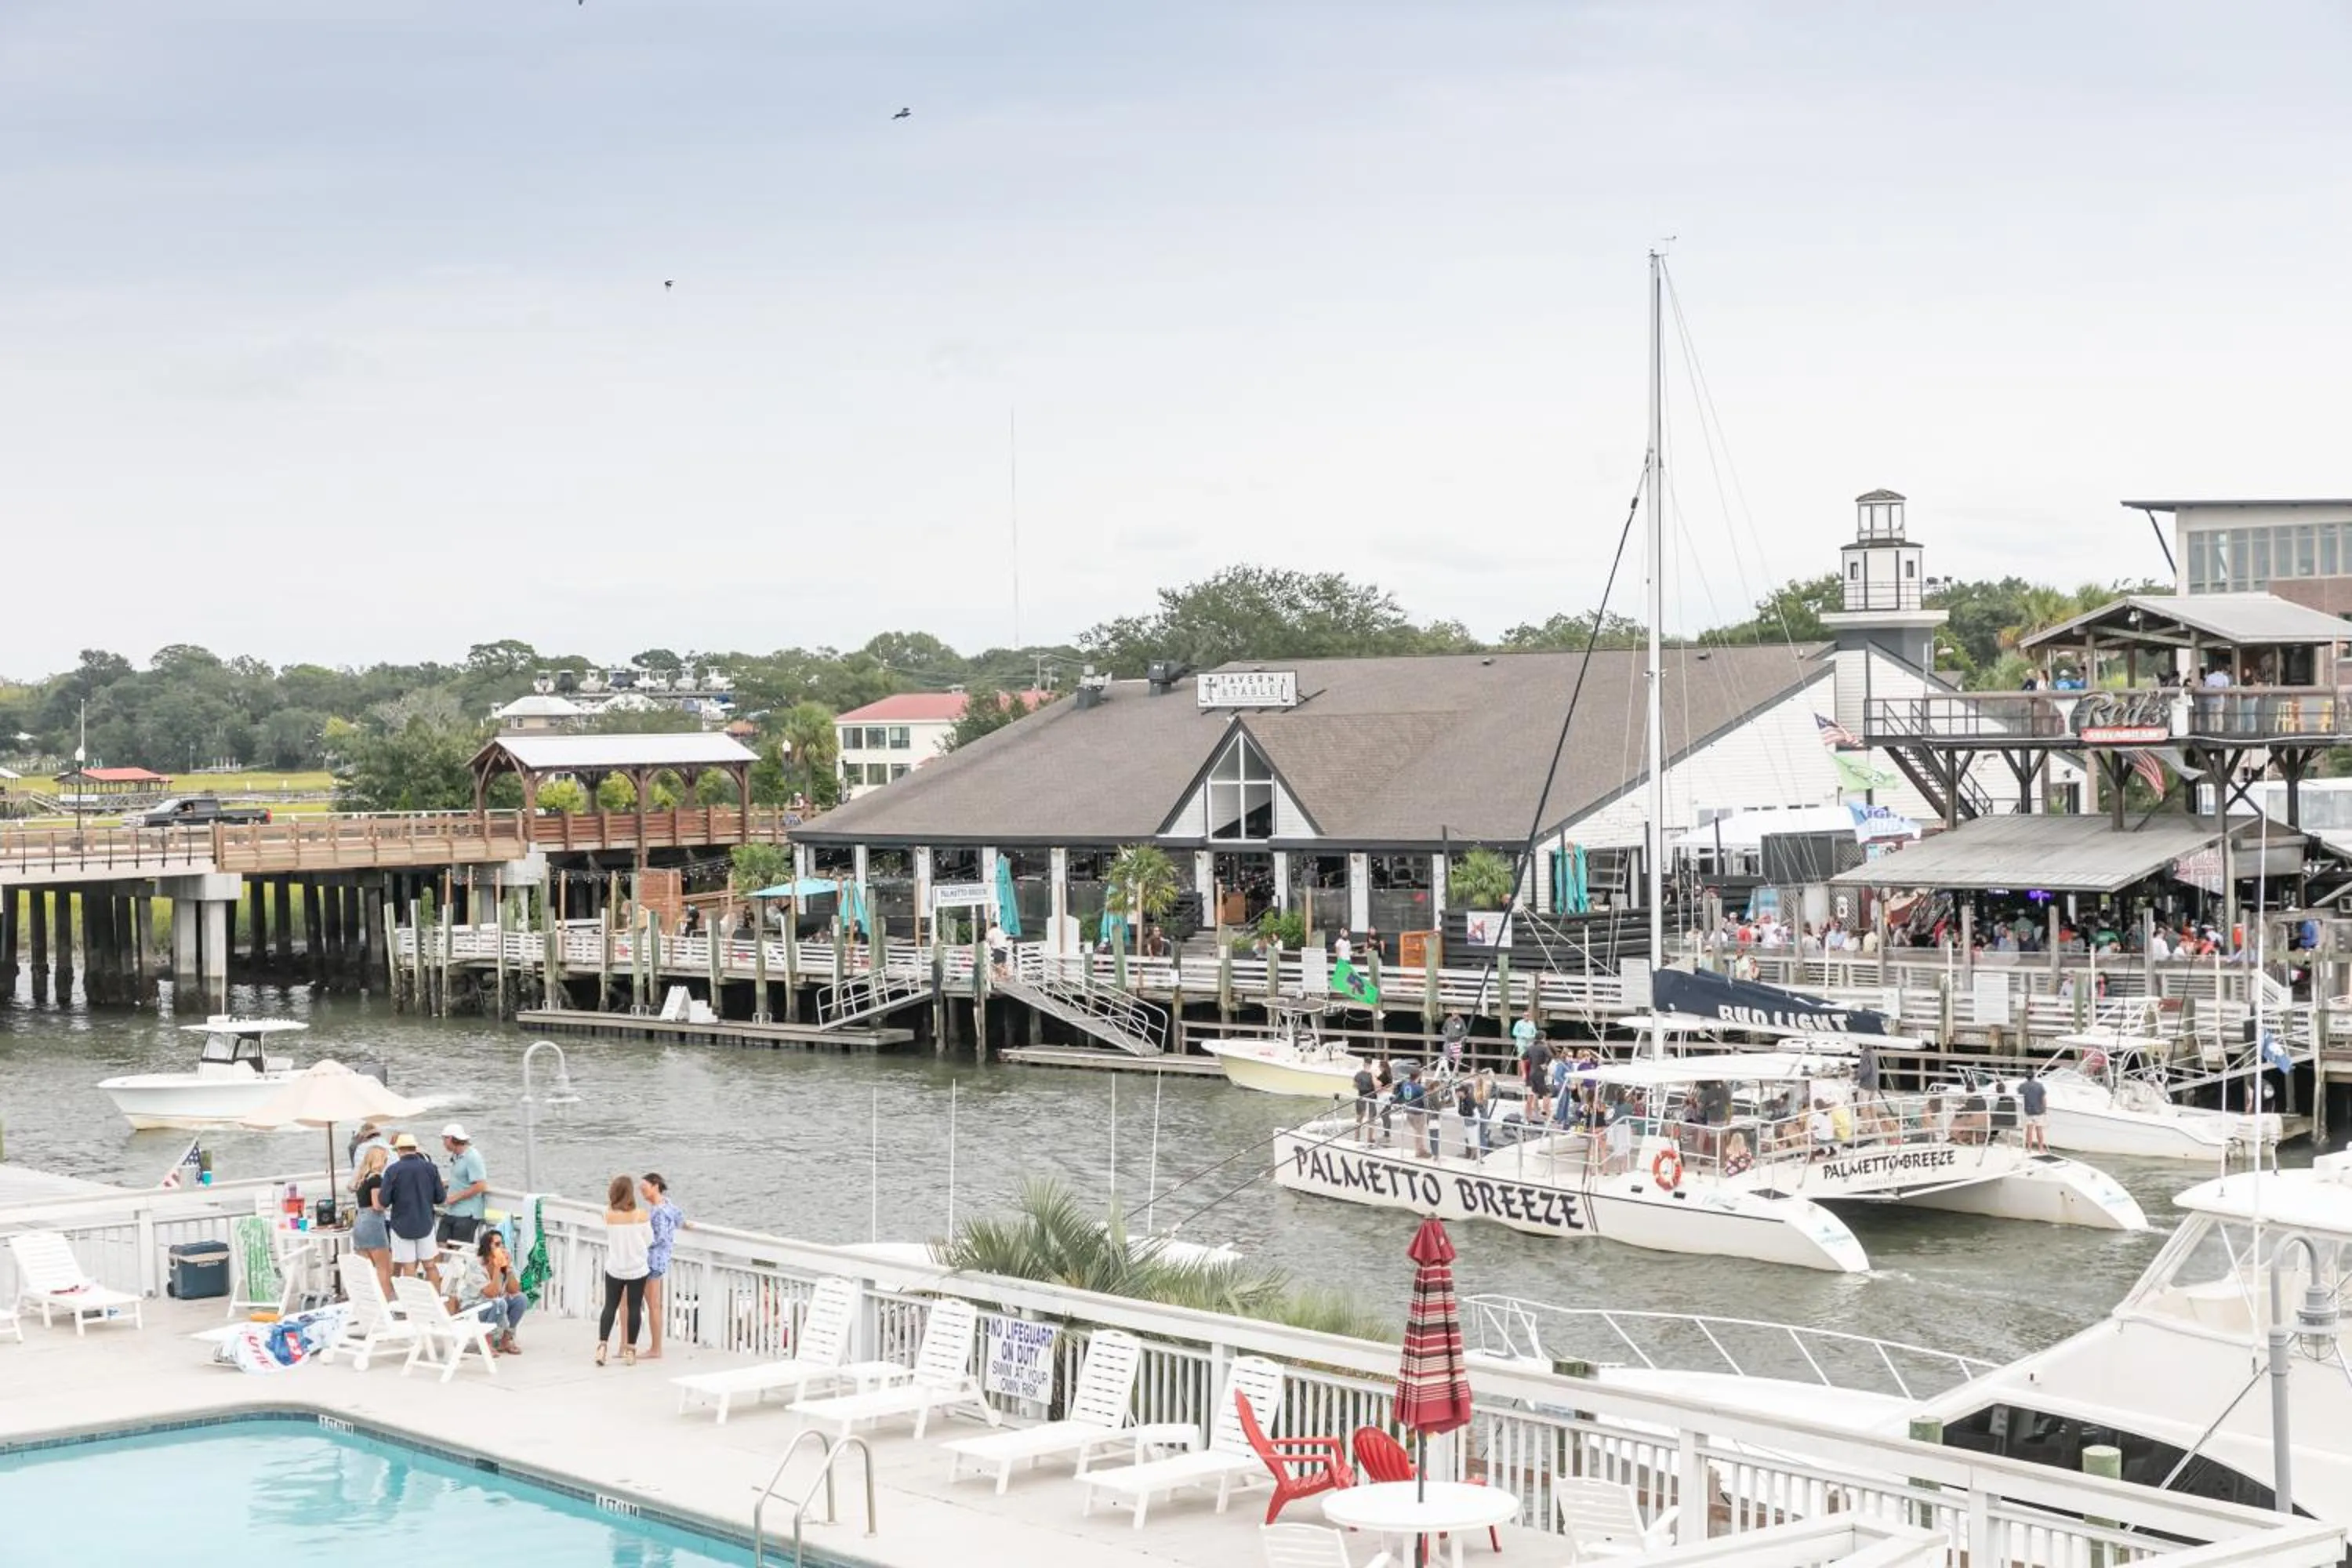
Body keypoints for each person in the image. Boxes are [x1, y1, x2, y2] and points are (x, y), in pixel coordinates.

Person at [597, 1174, 652, 1367]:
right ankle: (630, 1350)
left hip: (615, 1267)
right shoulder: (641, 1215)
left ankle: (602, 1346)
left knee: (610, 1306)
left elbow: (608, 1210)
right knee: (635, 1307)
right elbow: (649, 1240)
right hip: (637, 1268)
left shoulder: (608, 1215)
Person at [379, 1132, 447, 1283]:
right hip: (426, 1223)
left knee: (409, 1267)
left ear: (399, 1150)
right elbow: (441, 1198)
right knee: (430, 1265)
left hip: (401, 1225)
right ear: (415, 1149)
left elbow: (384, 1201)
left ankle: (412, 1305)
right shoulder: (431, 1168)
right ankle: (435, 1300)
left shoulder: (393, 1171)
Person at [448, 1228, 528, 1354]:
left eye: (502, 1244)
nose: (501, 1248)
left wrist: (508, 1270)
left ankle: (506, 1340)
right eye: (497, 1244)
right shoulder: (475, 1265)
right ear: (487, 1247)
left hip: (495, 1303)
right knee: (498, 1303)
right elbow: (490, 1293)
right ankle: (487, 1342)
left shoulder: (503, 1261)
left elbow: (514, 1290)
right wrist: (497, 1268)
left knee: (521, 1299)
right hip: (472, 1307)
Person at [641, 1172, 685, 1360]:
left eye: (644, 1188)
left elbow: (658, 1238)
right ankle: (655, 1347)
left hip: (653, 1259)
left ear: (655, 1185)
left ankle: (655, 1348)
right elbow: (681, 1222)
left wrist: (640, 1243)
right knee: (654, 1304)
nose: (642, 1192)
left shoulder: (658, 1211)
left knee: (653, 1305)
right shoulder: (670, 1206)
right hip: (662, 1258)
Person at [351, 1145, 394, 1297]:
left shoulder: (362, 1178)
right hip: (373, 1223)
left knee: (366, 1269)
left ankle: (368, 1299)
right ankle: (387, 1302)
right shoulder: (376, 1178)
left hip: (360, 1222)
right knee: (384, 1268)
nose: (385, 1162)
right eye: (385, 1159)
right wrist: (388, 1203)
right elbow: (377, 1205)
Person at [439, 1123, 488, 1245]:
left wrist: (454, 1198)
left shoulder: (472, 1157)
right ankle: (441, 1265)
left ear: (451, 1139)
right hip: (451, 1211)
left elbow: (481, 1185)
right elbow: (461, 1179)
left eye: (444, 1139)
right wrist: (445, 1184)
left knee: (459, 1251)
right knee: (440, 1244)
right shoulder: (457, 1156)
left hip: (467, 1214)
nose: (443, 1143)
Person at [1395, 1065, 1430, 1157]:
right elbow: (1425, 1101)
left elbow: (1399, 1096)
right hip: (1418, 1114)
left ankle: (1421, 1149)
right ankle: (1419, 1152)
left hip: (1408, 1112)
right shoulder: (1419, 1088)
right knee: (1419, 1133)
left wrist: (1392, 1103)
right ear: (1418, 1076)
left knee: (1418, 1132)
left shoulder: (1404, 1085)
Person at [1352, 1059, 1380, 1145]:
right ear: (1371, 1064)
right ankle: (1369, 1138)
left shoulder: (1358, 1074)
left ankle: (1356, 1137)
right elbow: (1377, 1086)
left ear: (1363, 1064)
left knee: (1359, 1117)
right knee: (1371, 1118)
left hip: (1361, 1096)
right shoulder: (1373, 1074)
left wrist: (1361, 1088)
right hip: (1371, 1097)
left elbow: (1354, 1086)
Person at [2020, 1071, 2049, 1152]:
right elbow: (2043, 1098)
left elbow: (2022, 1097)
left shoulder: (2022, 1086)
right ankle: (2041, 1148)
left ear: (2026, 1077)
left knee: (2029, 1130)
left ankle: (2029, 1148)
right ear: (2033, 1077)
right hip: (2039, 1111)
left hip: (2028, 1111)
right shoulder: (2039, 1086)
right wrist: (2045, 1110)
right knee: (2039, 1130)